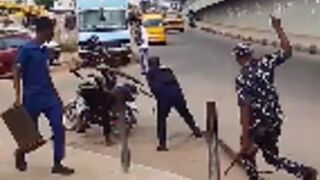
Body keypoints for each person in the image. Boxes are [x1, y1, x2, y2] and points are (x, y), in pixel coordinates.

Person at [233, 15, 317, 180]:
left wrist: (245, 137)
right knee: (270, 157)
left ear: (238, 58)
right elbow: (287, 51)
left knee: (247, 154)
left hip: (261, 123)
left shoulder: (242, 78)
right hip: (275, 119)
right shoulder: (265, 62)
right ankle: (305, 172)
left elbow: (245, 108)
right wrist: (278, 28)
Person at [12, 17, 74, 175]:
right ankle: (21, 153)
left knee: (58, 127)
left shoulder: (44, 51)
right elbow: (16, 71)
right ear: (44, 31)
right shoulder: (26, 50)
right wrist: (18, 97)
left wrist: (56, 96)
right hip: (32, 97)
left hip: (48, 96)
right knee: (31, 137)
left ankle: (58, 163)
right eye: (51, 30)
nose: (53, 33)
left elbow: (46, 75)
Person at [146, 56, 202, 151]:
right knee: (185, 112)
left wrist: (158, 98)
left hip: (164, 97)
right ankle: (196, 130)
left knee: (161, 120)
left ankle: (162, 144)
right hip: (177, 94)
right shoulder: (168, 70)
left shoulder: (150, 73)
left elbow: (154, 88)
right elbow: (176, 83)